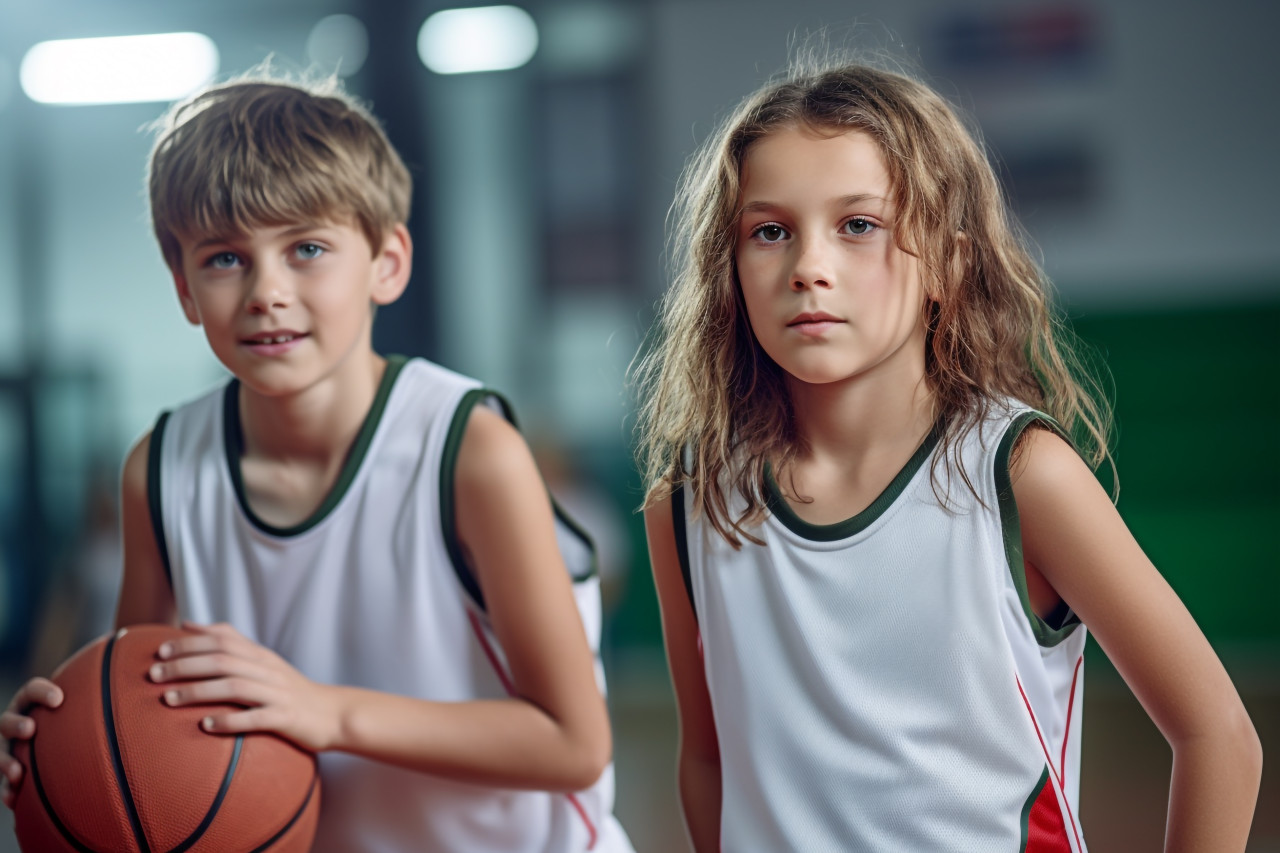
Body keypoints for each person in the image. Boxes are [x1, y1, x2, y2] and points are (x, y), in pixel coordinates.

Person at [634, 59, 1262, 852]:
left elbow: (1218, 734)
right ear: (729, 271)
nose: (808, 268)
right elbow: (708, 759)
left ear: (948, 263)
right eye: (770, 231)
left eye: (858, 225)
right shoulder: (691, 502)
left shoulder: (1020, 475)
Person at [1, 71, 633, 853]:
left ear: (386, 262)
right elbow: (144, 718)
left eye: (306, 248)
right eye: (224, 258)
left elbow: (575, 742)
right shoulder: (159, 473)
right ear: (183, 286)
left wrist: (325, 709)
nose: (266, 291)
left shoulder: (470, 452)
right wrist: (71, 748)